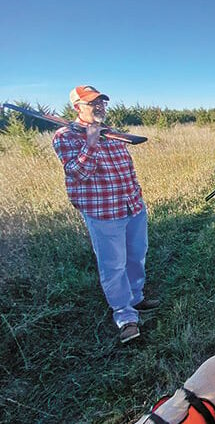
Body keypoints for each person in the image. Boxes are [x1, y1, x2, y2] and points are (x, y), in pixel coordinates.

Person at [52, 85, 159, 344]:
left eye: (101, 102)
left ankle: (136, 297)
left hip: (132, 205)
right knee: (113, 265)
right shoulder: (64, 135)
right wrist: (90, 142)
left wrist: (137, 194)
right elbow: (77, 173)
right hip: (103, 212)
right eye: (92, 103)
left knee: (137, 255)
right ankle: (125, 316)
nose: (99, 106)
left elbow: (127, 168)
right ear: (77, 107)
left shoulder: (111, 134)